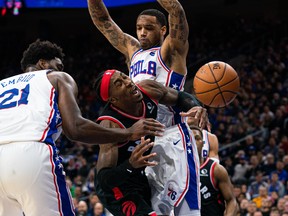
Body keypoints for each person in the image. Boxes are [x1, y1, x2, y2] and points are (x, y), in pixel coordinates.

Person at [0, 39, 166, 216]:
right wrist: (128, 132)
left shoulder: (2, 85)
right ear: (43, 63)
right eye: (59, 65)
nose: (61, 70)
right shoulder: (56, 77)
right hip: (30, 152)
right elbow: (75, 128)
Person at [87, 1, 210, 214]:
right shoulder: (132, 51)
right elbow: (103, 20)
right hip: (145, 141)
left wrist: (196, 105)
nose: (142, 33)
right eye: (139, 28)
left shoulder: (171, 50)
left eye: (149, 28)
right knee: (155, 209)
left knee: (186, 210)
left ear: (163, 30)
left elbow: (176, 10)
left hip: (173, 135)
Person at [93, 69, 209, 216]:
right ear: (113, 100)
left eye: (124, 77)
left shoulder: (147, 89)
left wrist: (195, 107)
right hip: (116, 188)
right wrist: (130, 165)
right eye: (119, 84)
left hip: (140, 176)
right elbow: (104, 180)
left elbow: (179, 97)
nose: (128, 82)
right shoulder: (110, 124)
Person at [190, 125, 238, 216]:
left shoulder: (215, 169)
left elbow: (232, 201)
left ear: (203, 143)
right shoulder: (178, 170)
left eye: (196, 138)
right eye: (190, 138)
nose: (193, 142)